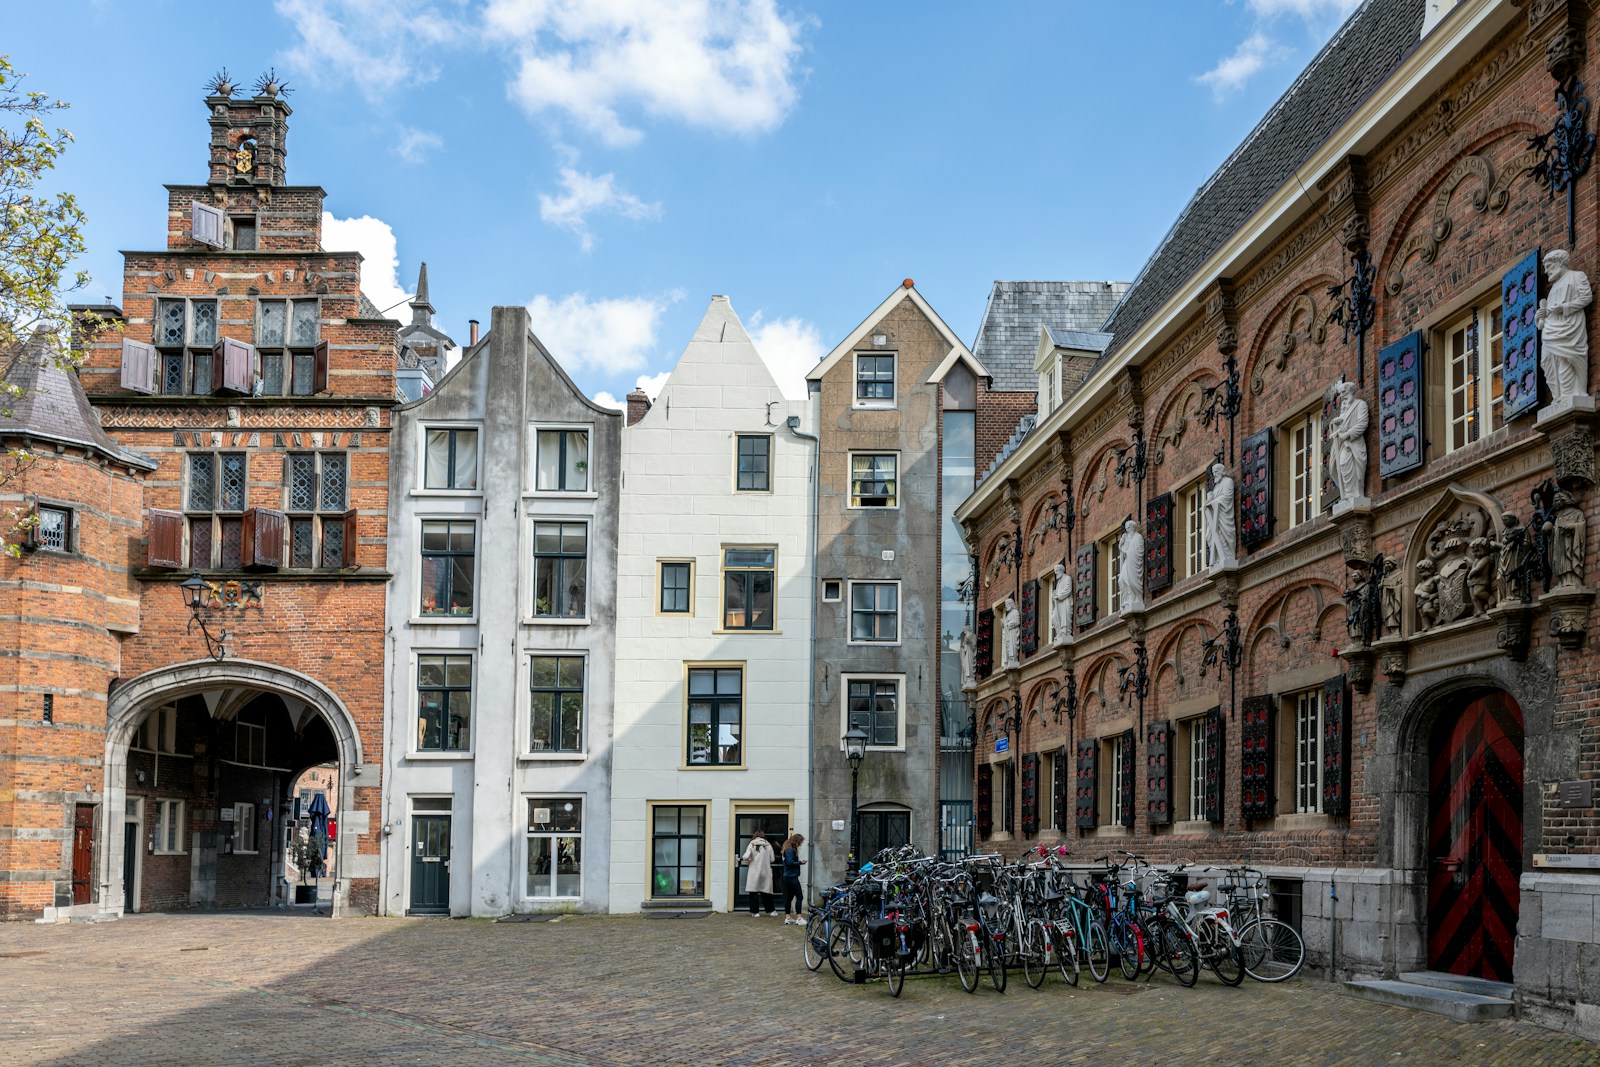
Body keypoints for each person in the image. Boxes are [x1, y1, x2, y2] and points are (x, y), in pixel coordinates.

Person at [739, 829, 775, 916]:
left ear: (755, 836)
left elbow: (745, 856)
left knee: (753, 892)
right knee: (766, 891)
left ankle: (755, 912)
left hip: (754, 872)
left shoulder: (752, 844)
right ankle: (771, 911)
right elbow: (772, 859)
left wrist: (749, 859)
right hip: (765, 872)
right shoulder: (768, 845)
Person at [779, 833, 807, 925]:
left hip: (787, 876)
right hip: (792, 876)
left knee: (789, 897)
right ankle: (799, 918)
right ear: (797, 841)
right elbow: (790, 862)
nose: (800, 844)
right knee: (799, 896)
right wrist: (800, 862)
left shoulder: (786, 848)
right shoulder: (790, 849)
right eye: (800, 842)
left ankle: (788, 917)